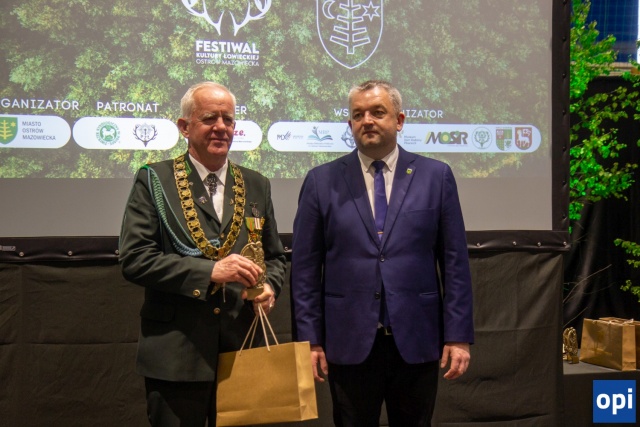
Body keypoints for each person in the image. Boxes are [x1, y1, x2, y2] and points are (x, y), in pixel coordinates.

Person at [291, 80, 474, 427]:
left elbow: (455, 264)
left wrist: (458, 335)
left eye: (378, 112)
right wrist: (309, 341)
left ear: (399, 120)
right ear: (350, 124)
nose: (367, 121)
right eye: (358, 115)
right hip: (349, 341)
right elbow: (304, 272)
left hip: (417, 338)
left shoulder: (436, 176)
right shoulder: (320, 181)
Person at [119, 81, 286, 426]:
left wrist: (269, 285)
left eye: (228, 119)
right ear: (184, 127)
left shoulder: (257, 183)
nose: (221, 127)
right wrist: (208, 272)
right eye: (210, 118)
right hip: (177, 353)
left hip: (242, 347)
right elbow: (135, 258)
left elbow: (274, 257)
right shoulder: (155, 180)